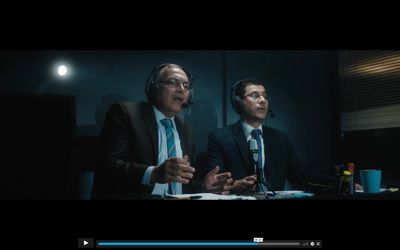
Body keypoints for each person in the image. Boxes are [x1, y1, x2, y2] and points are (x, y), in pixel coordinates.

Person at [92, 63, 232, 199]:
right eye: (173, 82)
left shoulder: (187, 129)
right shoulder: (126, 113)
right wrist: (152, 174)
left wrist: (204, 187)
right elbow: (107, 166)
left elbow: (181, 184)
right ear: (153, 87)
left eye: (186, 86)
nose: (181, 89)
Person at [206, 78, 306, 194]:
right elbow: (215, 183)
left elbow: (300, 176)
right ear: (238, 102)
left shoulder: (280, 139)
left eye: (265, 96)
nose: (263, 100)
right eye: (255, 96)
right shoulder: (219, 137)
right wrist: (233, 186)